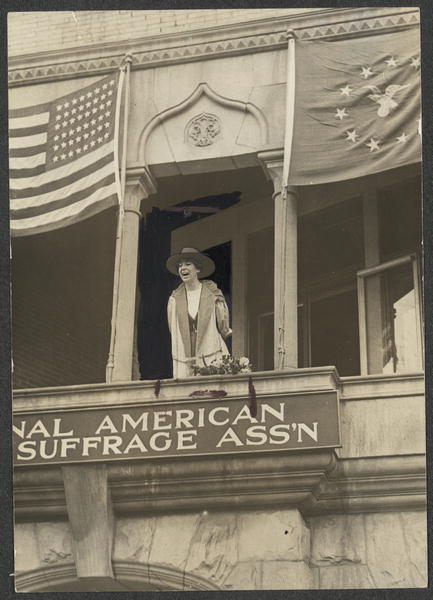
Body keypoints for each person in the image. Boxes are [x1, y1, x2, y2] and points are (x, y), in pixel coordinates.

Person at [166, 247, 232, 378]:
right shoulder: (174, 299)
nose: (183, 268)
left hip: (210, 350)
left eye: (188, 264)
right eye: (180, 265)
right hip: (184, 355)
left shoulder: (212, 294)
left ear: (198, 269)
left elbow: (223, 326)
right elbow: (172, 329)